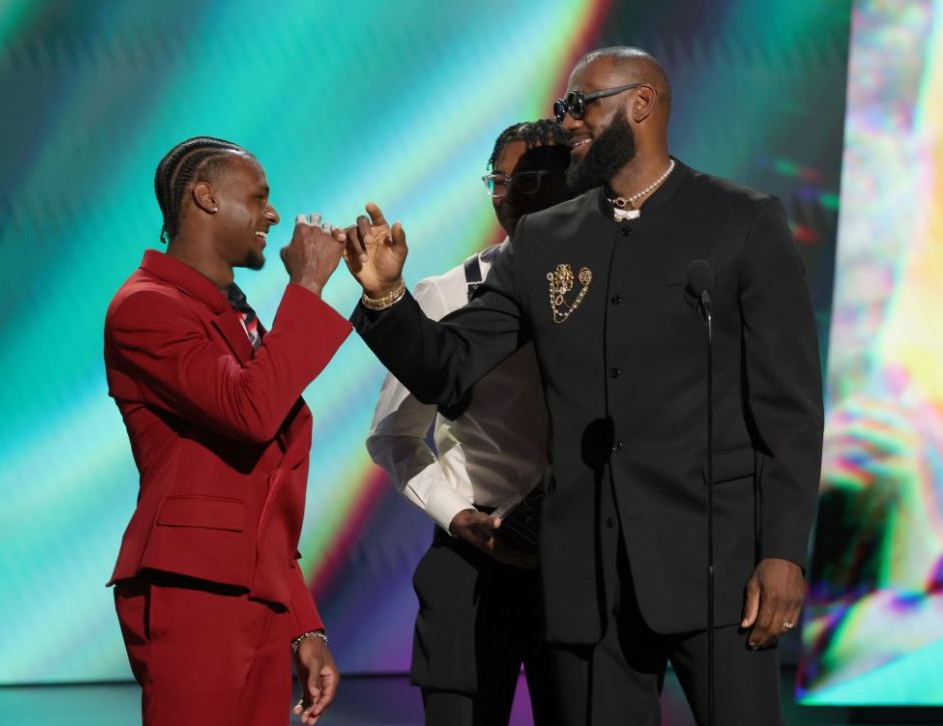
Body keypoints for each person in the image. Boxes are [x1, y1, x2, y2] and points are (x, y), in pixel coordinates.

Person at [343, 47, 824, 725]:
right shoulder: (543, 239)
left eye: (580, 105)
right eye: (563, 107)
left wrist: (781, 553)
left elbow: (789, 411)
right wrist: (390, 299)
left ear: (642, 103)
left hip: (716, 568)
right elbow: (448, 365)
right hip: (587, 582)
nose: (566, 122)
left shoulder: (740, 222)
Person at [104, 136, 349, 726]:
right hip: (193, 588)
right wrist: (308, 288)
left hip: (254, 591)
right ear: (205, 196)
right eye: (259, 198)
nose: (273, 214)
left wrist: (301, 625)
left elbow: (265, 485)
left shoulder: (234, 315)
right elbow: (250, 411)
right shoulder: (146, 307)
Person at [366, 119, 572, 725]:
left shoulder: (611, 292)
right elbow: (393, 435)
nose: (508, 194)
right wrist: (458, 516)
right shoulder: (443, 295)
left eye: (530, 178)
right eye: (497, 180)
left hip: (575, 552)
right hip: (473, 554)